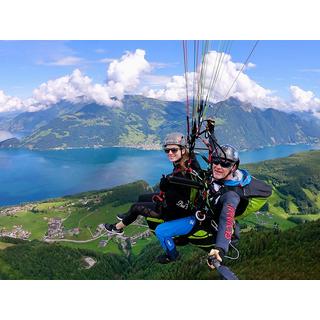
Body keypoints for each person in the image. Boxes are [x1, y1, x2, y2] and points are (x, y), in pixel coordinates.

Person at [103, 132, 201, 246]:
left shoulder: (181, 173)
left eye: (174, 150)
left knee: (136, 208)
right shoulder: (188, 160)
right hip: (173, 201)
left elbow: (177, 196)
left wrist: (167, 185)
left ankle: (117, 228)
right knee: (141, 197)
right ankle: (127, 216)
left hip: (173, 211)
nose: (170, 153)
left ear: (183, 150)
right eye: (167, 150)